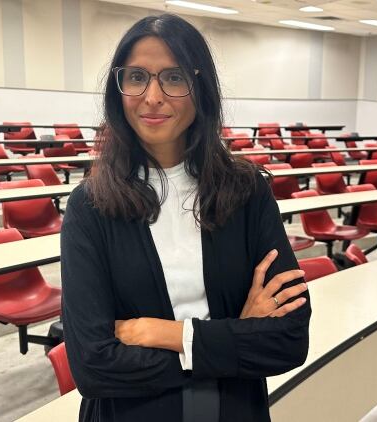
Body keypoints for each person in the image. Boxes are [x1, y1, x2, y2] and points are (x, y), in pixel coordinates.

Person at [60, 13, 311, 422]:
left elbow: (288, 339)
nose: (153, 96)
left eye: (174, 78)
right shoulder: (91, 206)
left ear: (201, 88)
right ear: (119, 88)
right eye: (137, 77)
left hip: (232, 411)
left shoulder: (246, 191)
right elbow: (92, 365)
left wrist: (168, 335)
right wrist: (229, 339)